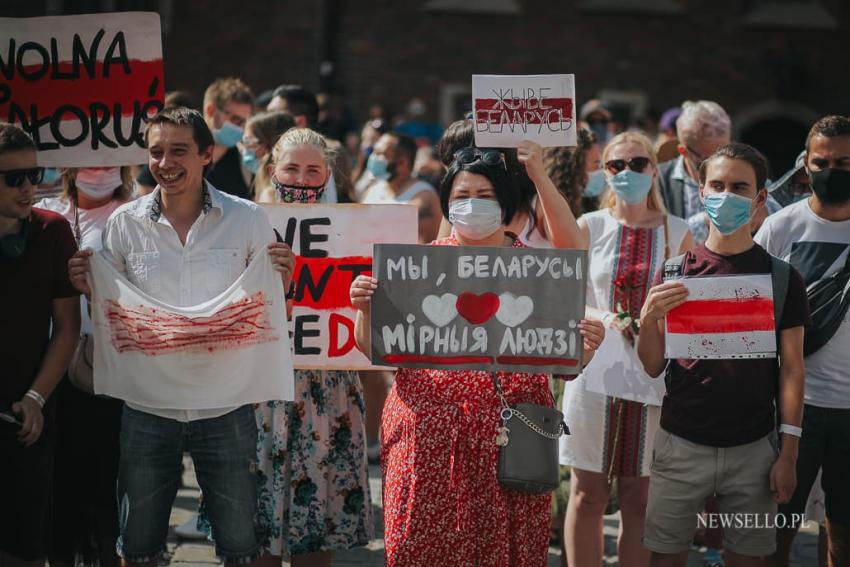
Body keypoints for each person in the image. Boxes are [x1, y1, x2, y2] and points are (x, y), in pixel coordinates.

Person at [349, 148, 605, 567]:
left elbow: (565, 365)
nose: (472, 204)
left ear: (505, 205)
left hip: (509, 441)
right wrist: (364, 310)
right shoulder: (418, 265)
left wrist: (587, 348)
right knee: (422, 549)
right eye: (462, 194)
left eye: (485, 195)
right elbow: (374, 347)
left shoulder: (540, 273)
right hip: (425, 436)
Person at [67, 107, 295, 567]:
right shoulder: (123, 225)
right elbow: (116, 316)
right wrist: (88, 287)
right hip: (147, 408)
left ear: (206, 155)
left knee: (240, 546)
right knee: (137, 544)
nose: (165, 162)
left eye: (178, 151)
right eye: (155, 152)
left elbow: (270, 306)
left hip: (227, 407)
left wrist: (283, 282)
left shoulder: (248, 219)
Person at [638, 142, 808, 567]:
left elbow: (792, 370)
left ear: (760, 197)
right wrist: (647, 320)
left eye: (739, 187)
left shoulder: (782, 278)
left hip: (754, 447)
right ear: (701, 190)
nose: (726, 196)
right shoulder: (676, 271)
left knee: (749, 558)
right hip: (680, 442)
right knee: (665, 556)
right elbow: (654, 364)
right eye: (717, 185)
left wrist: (788, 453)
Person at [225, 127, 373, 567]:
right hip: (257, 388)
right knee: (256, 531)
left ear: (327, 174)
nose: (302, 178)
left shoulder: (356, 229)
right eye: (292, 168)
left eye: (313, 169)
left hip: (327, 390)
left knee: (315, 530)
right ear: (273, 170)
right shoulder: (239, 224)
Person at [559, 132, 693, 567]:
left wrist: (652, 321)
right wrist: (603, 316)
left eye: (638, 163)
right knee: (588, 492)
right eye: (617, 165)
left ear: (654, 169)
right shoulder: (589, 225)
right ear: (605, 171)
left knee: (640, 495)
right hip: (594, 369)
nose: (627, 172)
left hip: (651, 372)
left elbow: (689, 302)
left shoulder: (680, 231)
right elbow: (565, 295)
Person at [758, 116, 850, 567]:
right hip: (794, 409)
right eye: (823, 161)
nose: (833, 169)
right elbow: (754, 314)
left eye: (845, 161)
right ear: (806, 165)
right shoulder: (781, 228)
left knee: (844, 535)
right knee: (776, 530)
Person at [36, 167, 131, 567]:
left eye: (108, 162)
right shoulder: (43, 214)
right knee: (59, 487)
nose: (98, 170)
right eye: (90, 161)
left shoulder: (136, 216)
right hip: (50, 369)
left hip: (115, 373)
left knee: (106, 485)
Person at [0, 123, 81, 567]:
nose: (29, 187)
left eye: (35, 174)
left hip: (26, 416)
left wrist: (35, 398)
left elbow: (66, 327)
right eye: (14, 178)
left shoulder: (52, 232)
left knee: (25, 547)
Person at [657, 100, 732, 244]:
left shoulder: (746, 174)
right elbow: (656, 237)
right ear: (683, 151)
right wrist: (705, 220)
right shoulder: (658, 180)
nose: (718, 164)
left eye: (724, 153)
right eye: (707, 158)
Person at [362, 131, 442, 242]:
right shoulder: (372, 190)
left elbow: (427, 248)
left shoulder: (425, 197)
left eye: (381, 154)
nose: (374, 158)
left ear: (402, 162)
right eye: (374, 152)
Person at [542, 128, 604, 218]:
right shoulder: (545, 209)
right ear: (575, 166)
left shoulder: (594, 206)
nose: (601, 170)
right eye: (597, 163)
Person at [241, 111, 295, 203]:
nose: (244, 148)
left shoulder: (274, 191)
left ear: (267, 144)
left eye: (248, 141)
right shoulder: (261, 180)